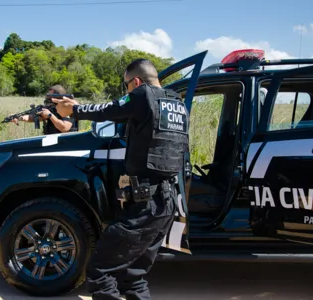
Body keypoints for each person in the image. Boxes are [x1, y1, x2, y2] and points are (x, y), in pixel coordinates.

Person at [52, 58, 190, 300]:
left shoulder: (142, 95)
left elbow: (109, 109)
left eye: (126, 85)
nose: (126, 90)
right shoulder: (177, 104)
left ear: (135, 81)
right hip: (166, 204)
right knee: (132, 274)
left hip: (146, 204)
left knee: (100, 271)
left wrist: (73, 109)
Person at [11, 84, 77, 134]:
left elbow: (64, 128)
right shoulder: (50, 109)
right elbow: (33, 117)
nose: (48, 98)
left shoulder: (68, 108)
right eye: (48, 96)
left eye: (51, 96)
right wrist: (19, 117)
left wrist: (50, 115)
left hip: (67, 144)